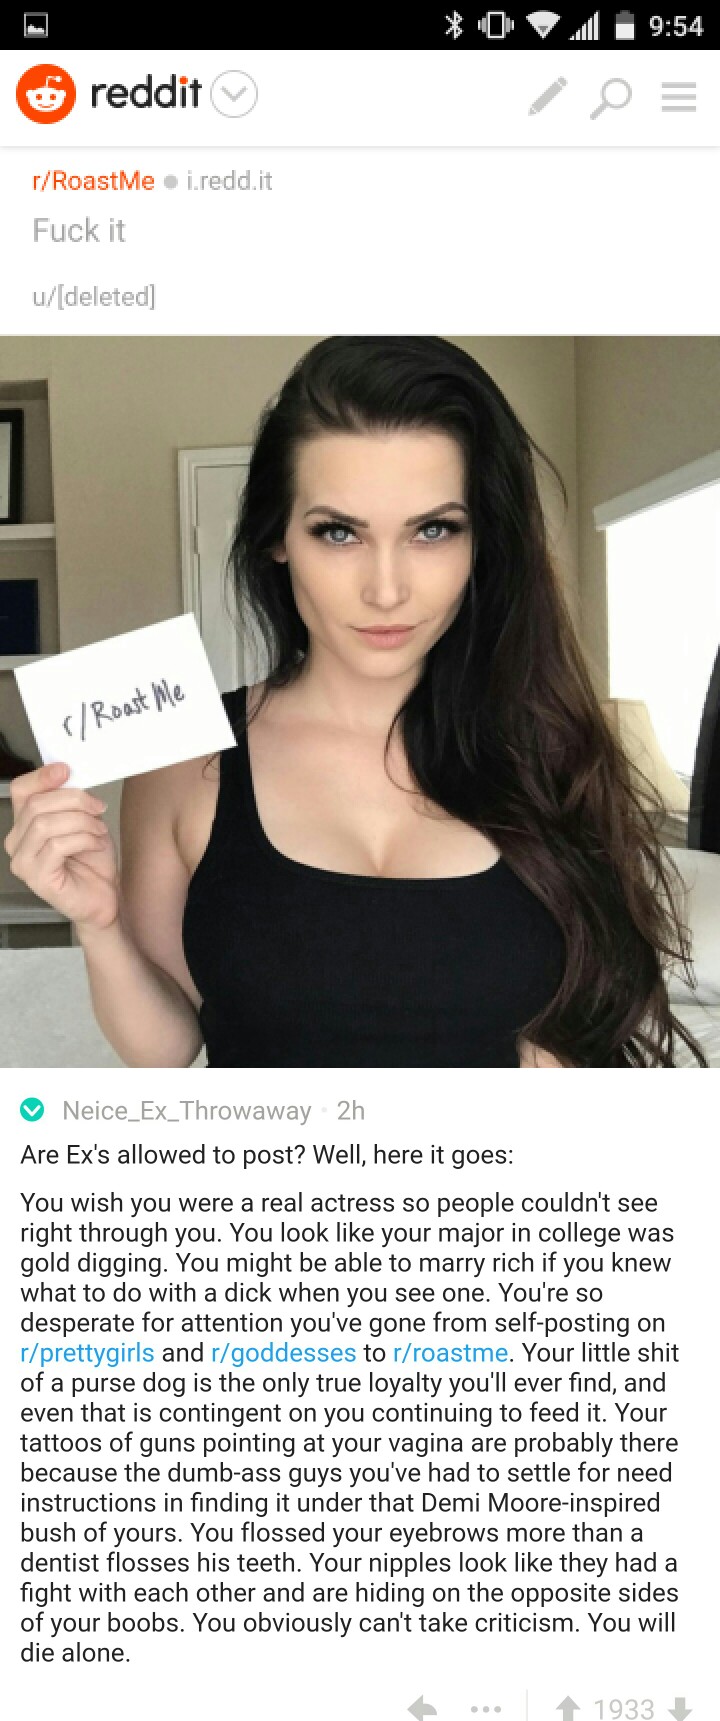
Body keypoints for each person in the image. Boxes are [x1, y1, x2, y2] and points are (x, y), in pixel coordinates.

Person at [4, 336, 703, 1067]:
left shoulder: (550, 751)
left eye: (433, 529)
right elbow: (169, 1048)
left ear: (480, 541)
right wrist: (99, 925)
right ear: (278, 537)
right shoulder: (184, 763)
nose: (387, 590)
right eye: (339, 532)